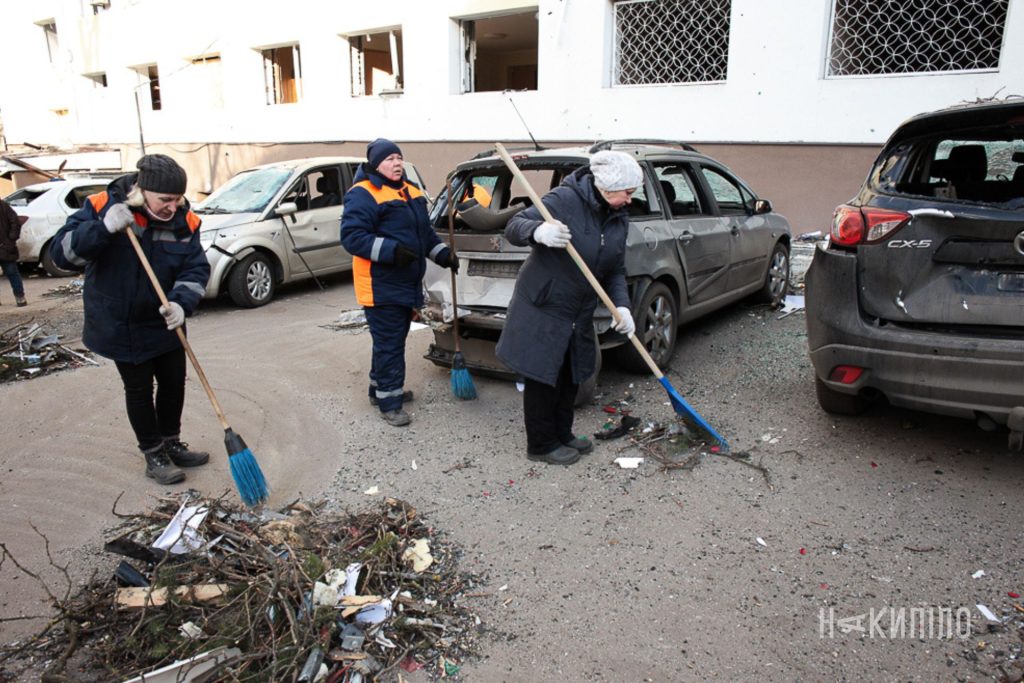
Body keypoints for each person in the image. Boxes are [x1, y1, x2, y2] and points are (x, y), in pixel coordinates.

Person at [49, 154, 211, 484]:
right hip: (119, 321)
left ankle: (170, 442)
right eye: (165, 199)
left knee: (173, 383)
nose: (172, 206)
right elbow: (62, 255)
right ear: (142, 191)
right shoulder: (101, 206)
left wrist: (182, 303)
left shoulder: (184, 220)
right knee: (138, 389)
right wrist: (103, 228)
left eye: (177, 198)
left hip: (164, 319)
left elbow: (195, 268)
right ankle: (153, 453)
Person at [496, 151, 642, 465]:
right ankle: (540, 444)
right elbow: (514, 226)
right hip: (545, 303)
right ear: (607, 187)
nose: (630, 200)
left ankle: (562, 434)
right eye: (627, 193)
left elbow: (615, 269)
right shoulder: (565, 200)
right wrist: (538, 232)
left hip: (578, 308)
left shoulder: (618, 217)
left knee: (571, 372)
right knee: (543, 374)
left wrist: (623, 307)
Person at [340, 138, 459, 427]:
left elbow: (424, 236)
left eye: (399, 158)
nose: (396, 163)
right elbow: (352, 237)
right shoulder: (363, 194)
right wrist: (392, 251)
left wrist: (443, 255)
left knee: (388, 342)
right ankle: (390, 402)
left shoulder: (411, 191)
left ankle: (378, 389)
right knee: (390, 343)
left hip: (405, 284)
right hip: (380, 285)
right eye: (389, 159)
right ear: (375, 165)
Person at [0, 197, 28, 307]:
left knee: (12, 273)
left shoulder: (3, 206)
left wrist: (10, 240)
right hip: (7, 246)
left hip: (6, 247)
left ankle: (20, 297)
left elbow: (15, 222)